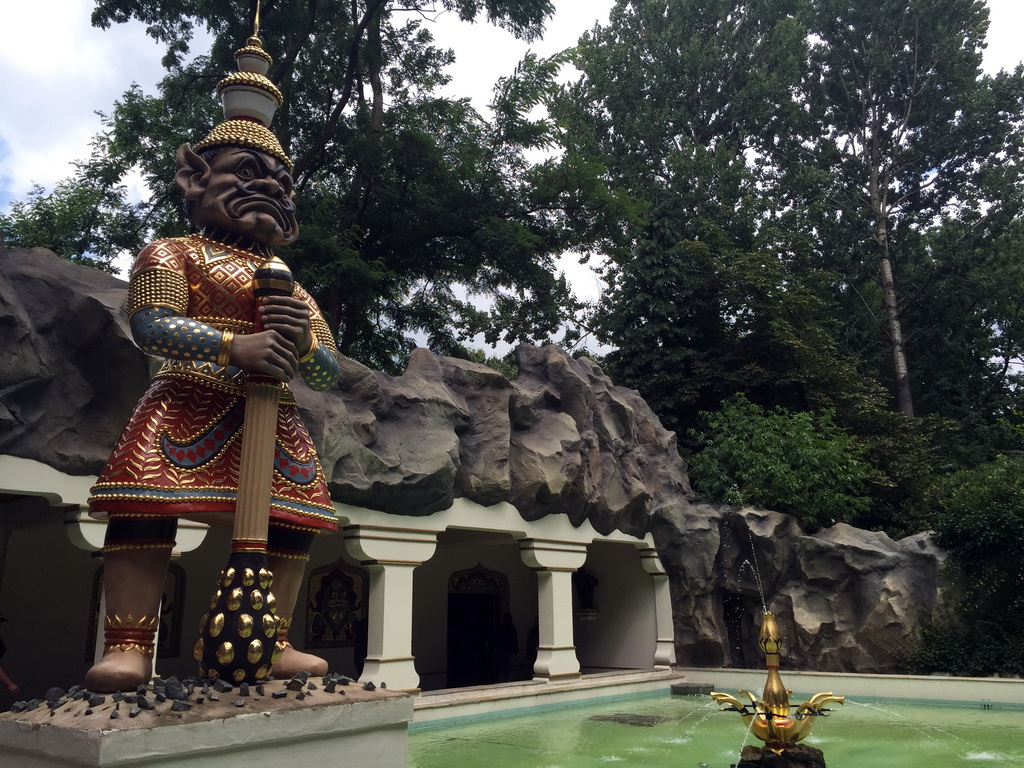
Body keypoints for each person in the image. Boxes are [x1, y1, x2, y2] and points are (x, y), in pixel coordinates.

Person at [84, 34, 340, 692]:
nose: (269, 192)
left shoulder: (290, 281)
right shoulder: (174, 253)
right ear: (195, 176)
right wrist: (234, 346)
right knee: (145, 504)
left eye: (280, 184)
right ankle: (129, 643)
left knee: (294, 518)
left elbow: (331, 370)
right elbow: (151, 324)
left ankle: (272, 638)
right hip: (187, 399)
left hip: (270, 413)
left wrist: (303, 347)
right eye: (248, 176)